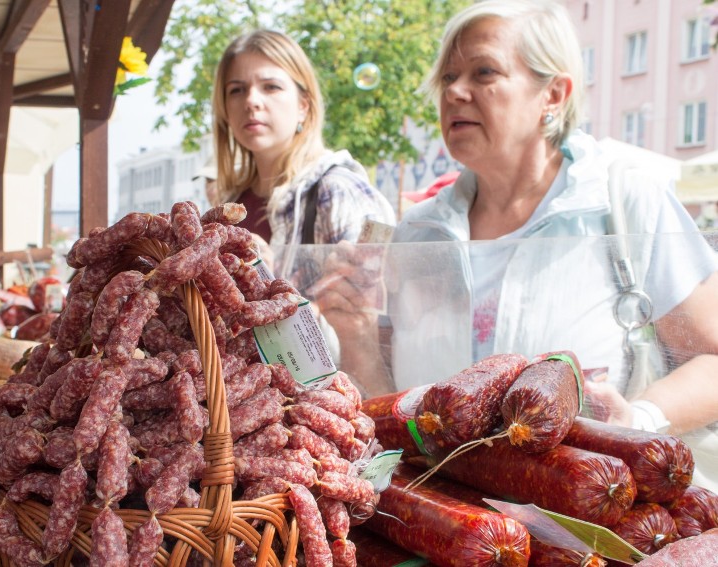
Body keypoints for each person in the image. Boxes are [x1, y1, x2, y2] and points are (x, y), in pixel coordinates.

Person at [313, 0, 718, 488]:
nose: (455, 92)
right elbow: (399, 421)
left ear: (554, 94)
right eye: (446, 77)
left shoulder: (622, 201)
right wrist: (355, 334)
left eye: (483, 71)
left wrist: (642, 416)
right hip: (453, 534)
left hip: (586, 529)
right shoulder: (418, 233)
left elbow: (710, 358)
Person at [210, 29, 395, 280]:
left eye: (271, 87)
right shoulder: (230, 206)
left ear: (303, 106)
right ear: (225, 110)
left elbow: (368, 313)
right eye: (236, 90)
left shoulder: (338, 190)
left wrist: (269, 281)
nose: (251, 100)